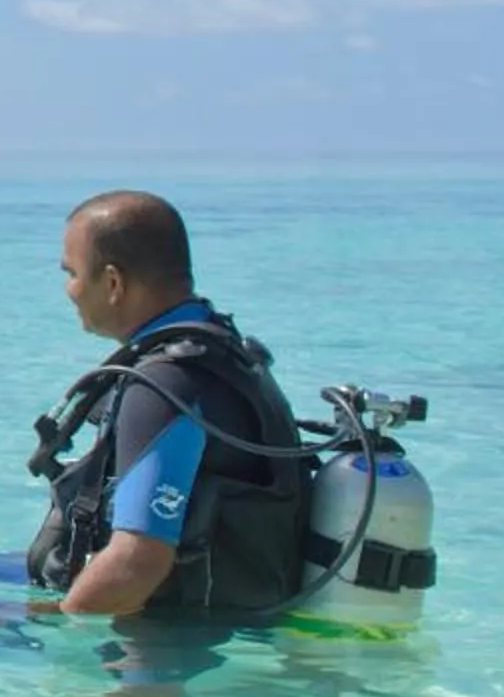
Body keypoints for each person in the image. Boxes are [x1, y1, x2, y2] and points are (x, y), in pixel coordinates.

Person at [23, 191, 310, 617]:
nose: (69, 289)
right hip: (233, 622)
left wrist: (53, 623)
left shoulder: (162, 386)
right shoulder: (224, 351)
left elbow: (136, 564)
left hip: (172, 647)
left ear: (113, 283)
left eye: (72, 273)